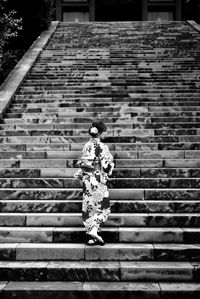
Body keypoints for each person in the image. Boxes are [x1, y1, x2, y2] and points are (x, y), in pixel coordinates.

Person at [74, 121, 115, 246]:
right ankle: (94, 229)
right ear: (100, 133)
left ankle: (92, 237)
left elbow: (84, 163)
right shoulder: (102, 147)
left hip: (87, 181)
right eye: (105, 132)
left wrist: (80, 173)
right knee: (104, 208)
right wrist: (111, 164)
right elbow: (107, 167)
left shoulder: (86, 146)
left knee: (89, 208)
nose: (106, 134)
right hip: (98, 180)